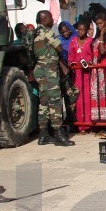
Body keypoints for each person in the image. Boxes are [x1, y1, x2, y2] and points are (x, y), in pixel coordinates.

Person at [30, 10, 74, 146]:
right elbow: (60, 48)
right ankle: (58, 134)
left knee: (44, 103)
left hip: (40, 70)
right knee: (55, 101)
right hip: (49, 71)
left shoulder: (34, 33)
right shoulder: (46, 32)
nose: (53, 19)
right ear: (43, 19)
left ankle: (43, 135)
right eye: (50, 17)